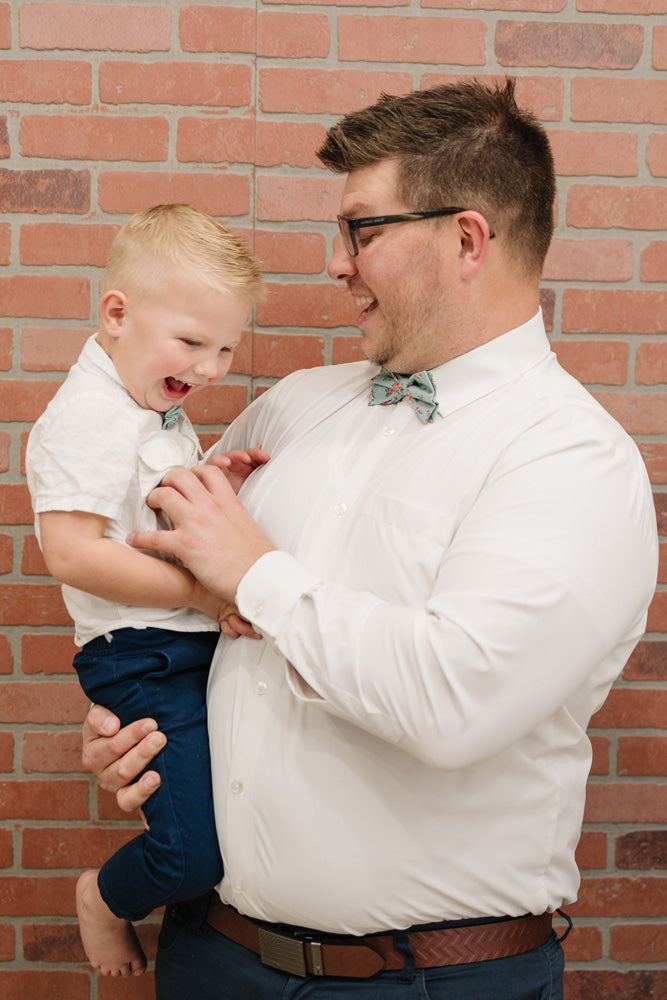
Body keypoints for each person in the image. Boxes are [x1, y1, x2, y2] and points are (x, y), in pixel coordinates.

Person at [82, 79, 658, 1000]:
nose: (336, 264)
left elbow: (451, 703)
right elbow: (166, 570)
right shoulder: (296, 404)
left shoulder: (573, 462)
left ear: (466, 239)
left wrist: (256, 575)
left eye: (362, 230)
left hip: (426, 983)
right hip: (209, 955)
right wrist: (141, 717)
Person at [25, 204, 267, 978]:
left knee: (220, 817)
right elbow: (70, 552)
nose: (209, 368)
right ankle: (104, 897)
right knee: (190, 850)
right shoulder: (94, 413)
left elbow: (139, 509)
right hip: (144, 655)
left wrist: (202, 478)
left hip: (176, 645)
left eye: (226, 347)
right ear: (117, 313)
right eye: (193, 342)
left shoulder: (148, 406)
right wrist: (198, 597)